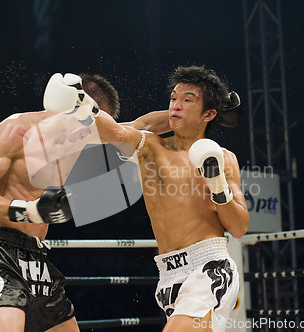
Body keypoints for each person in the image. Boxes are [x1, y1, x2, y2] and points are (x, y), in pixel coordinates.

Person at [0, 73, 170, 332]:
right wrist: (28, 211)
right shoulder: (14, 132)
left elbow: (140, 125)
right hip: (0, 251)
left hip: (38, 254)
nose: (91, 132)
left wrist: (200, 110)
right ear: (74, 105)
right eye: (90, 121)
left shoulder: (82, 136)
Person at [60, 66, 249, 331]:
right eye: (173, 98)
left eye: (187, 100)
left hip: (209, 269)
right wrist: (82, 103)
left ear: (209, 113)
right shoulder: (151, 146)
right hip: (169, 277)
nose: (176, 105)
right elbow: (115, 133)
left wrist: (218, 186)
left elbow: (239, 228)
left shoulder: (224, 158)